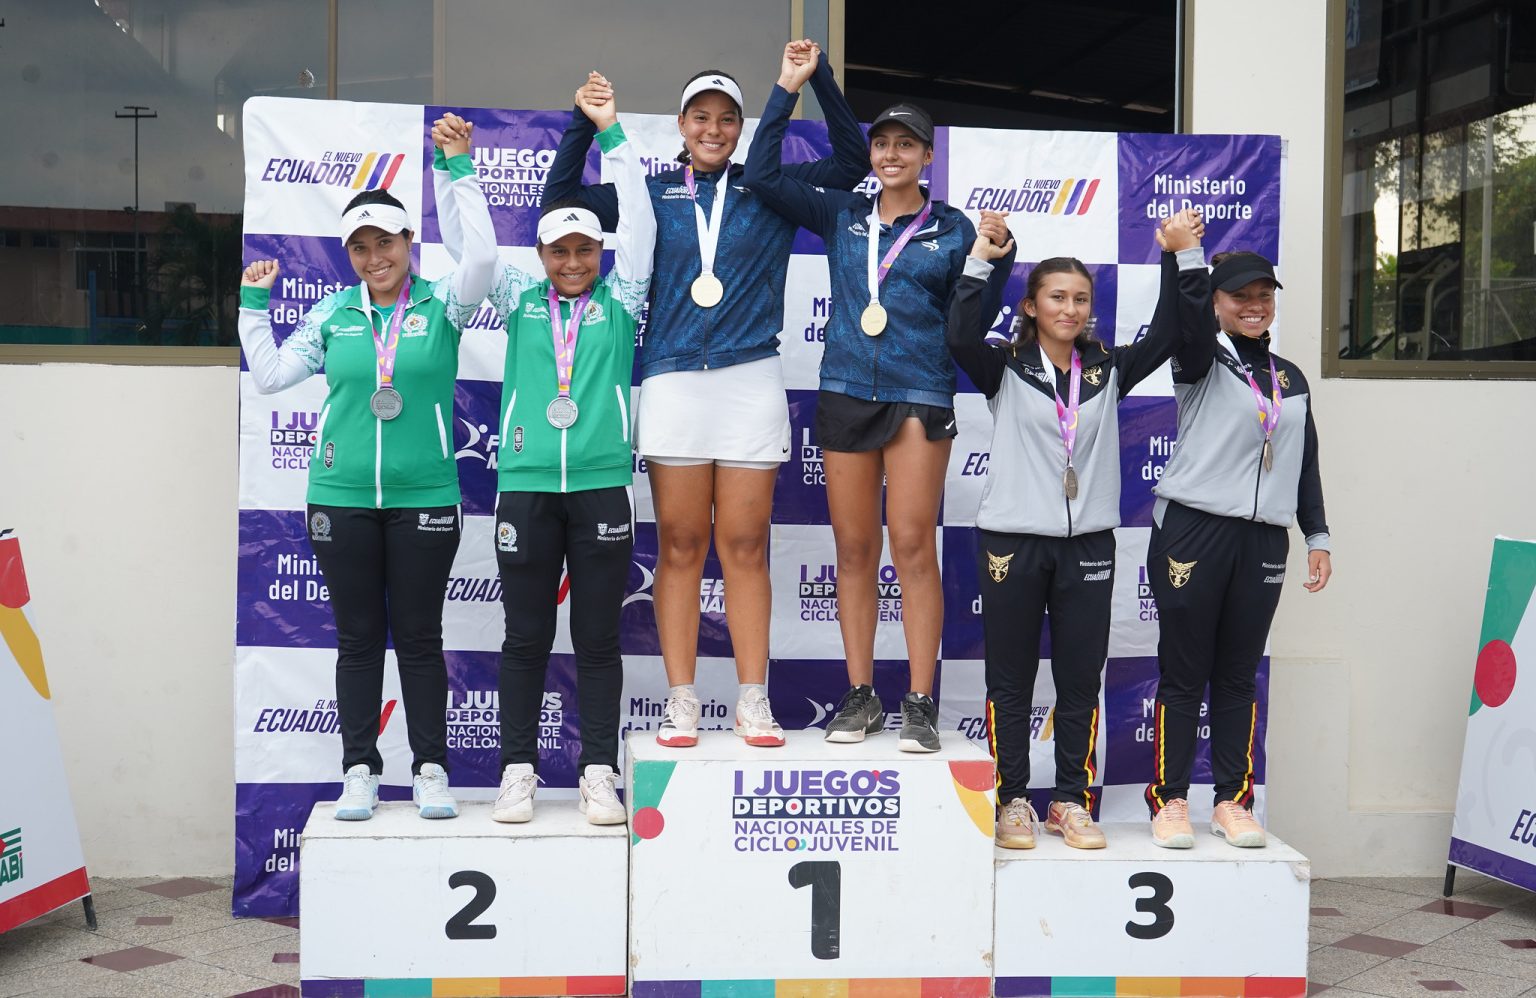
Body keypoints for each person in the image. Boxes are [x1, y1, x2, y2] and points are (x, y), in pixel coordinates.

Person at [544, 42, 868, 749]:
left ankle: (753, 699)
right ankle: (681, 700)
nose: (713, 129)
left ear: (741, 127)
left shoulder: (771, 185)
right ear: (682, 125)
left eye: (726, 118)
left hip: (750, 380)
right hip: (672, 380)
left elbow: (852, 164)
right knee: (682, 544)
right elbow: (562, 200)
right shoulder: (652, 192)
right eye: (701, 117)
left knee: (745, 545)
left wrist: (815, 80)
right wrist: (582, 122)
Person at [237, 115, 495, 820]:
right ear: (347, 253)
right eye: (360, 246)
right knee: (357, 641)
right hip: (340, 496)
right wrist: (254, 306)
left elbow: (481, 258)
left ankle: (431, 769)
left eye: (385, 241)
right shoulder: (332, 316)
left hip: (426, 497)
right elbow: (270, 376)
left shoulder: (444, 303)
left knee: (419, 639)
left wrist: (459, 168)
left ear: (409, 242)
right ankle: (359, 769)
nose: (373, 256)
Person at [745, 87, 1015, 753]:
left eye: (906, 144)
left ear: (927, 156)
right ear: (871, 153)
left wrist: (999, 256)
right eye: (883, 143)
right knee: (855, 549)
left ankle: (919, 701)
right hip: (844, 390)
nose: (893, 154)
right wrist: (798, 86)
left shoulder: (953, 228)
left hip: (920, 391)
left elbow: (972, 322)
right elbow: (762, 176)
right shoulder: (842, 212)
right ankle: (861, 695)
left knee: (914, 544)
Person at [948, 210, 1211, 849]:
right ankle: (1012, 801)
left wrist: (1180, 255)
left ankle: (1070, 800)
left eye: (1081, 299)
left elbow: (1172, 330)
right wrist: (983, 257)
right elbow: (957, 333)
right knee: (1010, 680)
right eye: (1057, 298)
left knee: (1079, 678)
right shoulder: (1004, 366)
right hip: (1011, 540)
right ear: (1031, 306)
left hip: (1088, 543)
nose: (1070, 309)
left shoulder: (1107, 369)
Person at [431, 89, 655, 824]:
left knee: (596, 640)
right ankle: (517, 772)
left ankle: (598, 773)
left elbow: (641, 218)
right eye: (559, 251)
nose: (572, 262)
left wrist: (610, 134)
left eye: (584, 250)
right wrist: (455, 167)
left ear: (601, 253)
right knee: (525, 637)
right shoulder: (519, 298)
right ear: (541, 256)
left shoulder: (622, 299)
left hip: (601, 487)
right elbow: (474, 251)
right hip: (525, 487)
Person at [1144, 244, 1333, 849]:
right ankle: (1170, 800)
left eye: (1264, 295)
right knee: (1184, 673)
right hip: (1193, 529)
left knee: (1236, 675)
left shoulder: (1290, 378)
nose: (1254, 305)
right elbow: (1186, 313)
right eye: (1239, 296)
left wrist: (1317, 536)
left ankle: (1232, 800)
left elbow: (1304, 463)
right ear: (1216, 302)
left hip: (1263, 539)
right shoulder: (1199, 354)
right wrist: (1185, 255)